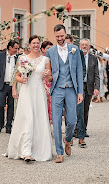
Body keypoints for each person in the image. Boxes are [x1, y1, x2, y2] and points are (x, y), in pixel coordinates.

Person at [5, 35, 53, 162]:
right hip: (27, 91)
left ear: (40, 45)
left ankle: (38, 149)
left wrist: (47, 75)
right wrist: (23, 79)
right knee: (28, 119)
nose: (36, 45)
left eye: (38, 43)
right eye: (34, 43)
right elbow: (17, 76)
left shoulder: (46, 60)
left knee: (39, 119)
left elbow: (50, 78)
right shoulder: (23, 58)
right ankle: (26, 152)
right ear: (29, 45)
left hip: (39, 92)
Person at [46, 24, 83, 163]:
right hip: (56, 89)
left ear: (65, 35)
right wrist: (47, 75)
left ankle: (67, 139)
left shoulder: (75, 49)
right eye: (57, 37)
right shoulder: (50, 52)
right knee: (56, 122)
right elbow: (49, 72)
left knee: (72, 120)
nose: (60, 39)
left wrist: (80, 92)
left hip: (71, 89)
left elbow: (79, 71)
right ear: (54, 36)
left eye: (62, 36)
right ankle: (59, 152)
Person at [0, 40, 19, 134]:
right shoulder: (0, 56)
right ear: (10, 48)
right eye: (15, 48)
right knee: (0, 105)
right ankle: (0, 124)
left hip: (13, 85)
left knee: (11, 106)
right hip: (1, 85)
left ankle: (9, 125)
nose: (17, 50)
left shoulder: (18, 58)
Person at [80, 39, 99, 141]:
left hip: (89, 86)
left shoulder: (93, 58)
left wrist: (97, 87)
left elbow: (97, 74)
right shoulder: (76, 56)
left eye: (86, 45)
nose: (84, 46)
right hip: (78, 86)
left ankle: (83, 130)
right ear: (79, 46)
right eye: (82, 45)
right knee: (77, 109)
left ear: (89, 47)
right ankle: (76, 130)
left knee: (85, 109)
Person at [41, 40, 54, 124]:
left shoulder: (53, 59)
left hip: (51, 83)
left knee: (51, 106)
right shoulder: (40, 59)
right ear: (42, 49)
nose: (50, 50)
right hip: (41, 84)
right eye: (48, 48)